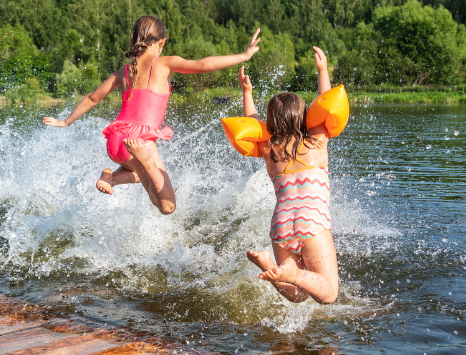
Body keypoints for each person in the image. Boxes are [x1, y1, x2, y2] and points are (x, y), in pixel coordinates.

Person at [44, 15, 261, 215]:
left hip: (115, 140)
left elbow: (92, 98)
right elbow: (202, 65)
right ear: (162, 42)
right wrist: (243, 55)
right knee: (167, 206)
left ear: (134, 38)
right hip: (140, 142)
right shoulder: (164, 63)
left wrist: (65, 121)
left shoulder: (124, 71)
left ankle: (112, 176)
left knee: (142, 176)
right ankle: (143, 168)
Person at [240, 47, 339, 304]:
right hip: (311, 222)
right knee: (328, 293)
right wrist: (322, 70)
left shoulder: (268, 150)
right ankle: (291, 275)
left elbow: (252, 125)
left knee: (297, 297)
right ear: (303, 118)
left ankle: (269, 266)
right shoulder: (316, 143)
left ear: (271, 123)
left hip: (281, 224)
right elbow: (326, 102)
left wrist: (247, 93)